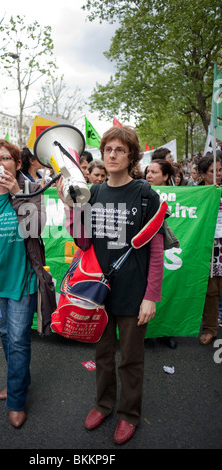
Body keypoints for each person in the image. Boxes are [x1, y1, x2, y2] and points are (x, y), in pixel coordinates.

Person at [56, 126, 164, 444]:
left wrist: (151, 296)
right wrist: (71, 207)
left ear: (131, 155)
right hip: (97, 292)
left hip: (134, 291)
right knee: (102, 355)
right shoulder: (94, 193)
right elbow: (83, 242)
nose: (112, 155)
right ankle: (103, 405)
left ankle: (129, 415)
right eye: (108, 149)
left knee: (130, 358)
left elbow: (155, 250)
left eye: (120, 149)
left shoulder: (146, 194)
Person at [0, 139, 56, 428]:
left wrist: (17, 193)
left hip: (23, 282)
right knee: (6, 334)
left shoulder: (31, 191)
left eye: (5, 158)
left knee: (18, 340)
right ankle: (17, 380)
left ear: (17, 164)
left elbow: (34, 228)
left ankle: (16, 399)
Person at [145, 159, 178, 349]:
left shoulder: (184, 192)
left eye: (154, 172)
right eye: (148, 171)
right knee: (148, 293)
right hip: (147, 250)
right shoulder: (140, 192)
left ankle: (165, 331)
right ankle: (147, 333)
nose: (149, 175)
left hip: (173, 255)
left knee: (170, 290)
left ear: (166, 176)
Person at [198, 154, 222, 345]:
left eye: (221, 170)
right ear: (203, 174)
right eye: (215, 171)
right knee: (210, 291)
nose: (219, 174)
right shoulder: (198, 194)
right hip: (209, 247)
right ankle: (210, 328)